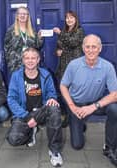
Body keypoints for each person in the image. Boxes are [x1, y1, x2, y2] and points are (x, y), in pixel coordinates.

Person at [60, 34, 117, 166]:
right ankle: (79, 122)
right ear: (83, 48)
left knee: (114, 108)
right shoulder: (74, 65)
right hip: (76, 105)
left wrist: (93, 107)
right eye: (88, 47)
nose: (91, 50)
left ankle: (110, 147)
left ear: (100, 48)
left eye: (94, 47)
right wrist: (71, 106)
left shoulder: (108, 67)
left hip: (95, 104)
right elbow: (63, 85)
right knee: (77, 145)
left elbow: (115, 94)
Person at [6, 47, 63, 167]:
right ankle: (30, 132)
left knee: (54, 108)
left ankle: (54, 150)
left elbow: (51, 93)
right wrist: (27, 117)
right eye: (27, 58)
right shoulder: (16, 76)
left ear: (38, 60)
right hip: (24, 113)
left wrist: (52, 98)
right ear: (23, 60)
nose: (30, 61)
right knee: (13, 139)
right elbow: (11, 99)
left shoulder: (45, 74)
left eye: (33, 58)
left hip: (41, 112)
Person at [4, 6, 43, 74]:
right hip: (16, 65)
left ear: (28, 16)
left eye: (25, 14)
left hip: (31, 65)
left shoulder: (32, 31)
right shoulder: (11, 31)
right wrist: (11, 62)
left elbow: (37, 47)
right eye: (20, 13)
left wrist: (40, 38)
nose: (22, 15)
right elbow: (6, 48)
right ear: (17, 16)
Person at [53, 10, 84, 81]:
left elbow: (73, 42)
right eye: (67, 18)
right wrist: (57, 51)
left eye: (71, 17)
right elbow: (59, 45)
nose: (69, 20)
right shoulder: (64, 31)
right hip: (63, 64)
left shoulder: (79, 30)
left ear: (75, 19)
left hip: (74, 62)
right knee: (64, 86)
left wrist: (60, 33)